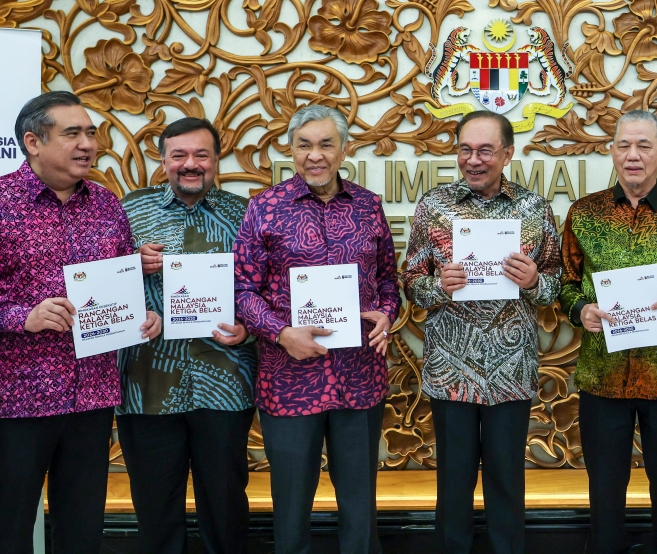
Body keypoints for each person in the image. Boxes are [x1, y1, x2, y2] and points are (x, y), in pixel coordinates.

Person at [0, 91, 162, 554]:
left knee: (82, 528)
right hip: (18, 400)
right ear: (33, 141)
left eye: (91, 132)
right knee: (9, 526)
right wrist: (22, 317)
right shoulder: (2, 203)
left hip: (90, 394)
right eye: (72, 133)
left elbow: (120, 284)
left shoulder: (108, 206)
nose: (88, 143)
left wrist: (140, 316)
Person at [233, 105, 399, 554]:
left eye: (326, 143)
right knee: (290, 510)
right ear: (290, 149)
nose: (315, 155)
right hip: (288, 379)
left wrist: (387, 314)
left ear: (344, 148)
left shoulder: (369, 206)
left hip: (359, 376)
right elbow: (242, 290)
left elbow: (388, 281)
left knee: (360, 507)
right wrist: (281, 332)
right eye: (304, 145)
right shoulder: (263, 209)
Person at [401, 110, 562, 554]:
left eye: (485, 150)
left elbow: (555, 284)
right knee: (453, 484)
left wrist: (534, 281)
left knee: (506, 481)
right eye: (465, 149)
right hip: (451, 369)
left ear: (507, 154)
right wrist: (438, 286)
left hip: (511, 372)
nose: (474, 159)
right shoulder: (433, 206)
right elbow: (412, 282)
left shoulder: (534, 208)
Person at [559, 110, 657, 554]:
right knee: (605, 494)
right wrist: (579, 309)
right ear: (611, 151)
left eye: (644, 146)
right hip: (602, 375)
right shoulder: (583, 214)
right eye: (624, 145)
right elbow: (566, 282)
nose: (633, 155)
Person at [116, 117, 255, 554]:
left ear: (217, 159)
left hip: (226, 382)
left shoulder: (245, 212)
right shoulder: (127, 210)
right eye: (179, 155)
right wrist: (130, 265)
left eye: (201, 155)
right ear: (163, 161)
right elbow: (91, 283)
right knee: (156, 508)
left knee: (226, 503)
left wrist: (249, 329)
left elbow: (267, 287)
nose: (189, 164)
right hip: (146, 384)